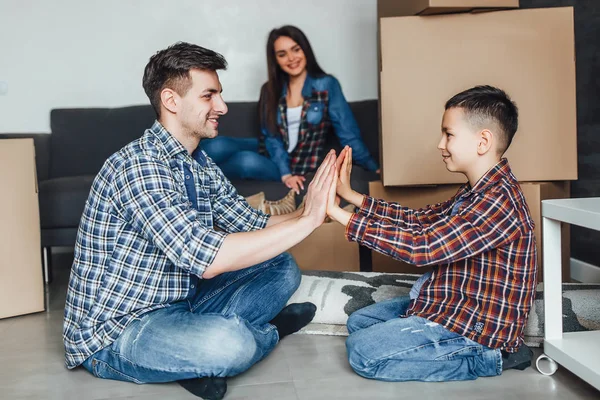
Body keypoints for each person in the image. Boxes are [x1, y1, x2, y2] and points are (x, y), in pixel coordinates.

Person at [62, 42, 339, 400]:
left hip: (182, 302)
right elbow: (207, 260)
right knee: (229, 343)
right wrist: (307, 223)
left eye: (219, 95)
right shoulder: (139, 166)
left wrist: (309, 210)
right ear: (171, 101)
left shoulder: (200, 164)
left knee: (281, 266)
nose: (221, 107)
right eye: (209, 96)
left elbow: (251, 224)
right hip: (118, 329)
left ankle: (191, 358)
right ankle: (265, 332)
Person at [327, 86, 537, 382]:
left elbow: (421, 247)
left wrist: (338, 214)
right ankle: (425, 335)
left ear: (483, 141)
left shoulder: (498, 203)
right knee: (361, 321)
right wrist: (354, 197)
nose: (440, 144)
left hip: (476, 329)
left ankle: (488, 359)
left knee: (363, 353)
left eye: (448, 134)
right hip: (452, 303)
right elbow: (419, 221)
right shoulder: (475, 192)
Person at [202, 25, 379, 194]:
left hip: (297, 163)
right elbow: (271, 137)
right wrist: (284, 170)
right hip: (272, 150)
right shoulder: (269, 89)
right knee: (218, 144)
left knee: (246, 161)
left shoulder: (327, 84)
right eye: (282, 54)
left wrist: (373, 167)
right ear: (276, 60)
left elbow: (347, 131)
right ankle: (179, 172)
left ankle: (199, 177)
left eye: (296, 49)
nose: (291, 58)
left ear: (305, 50)